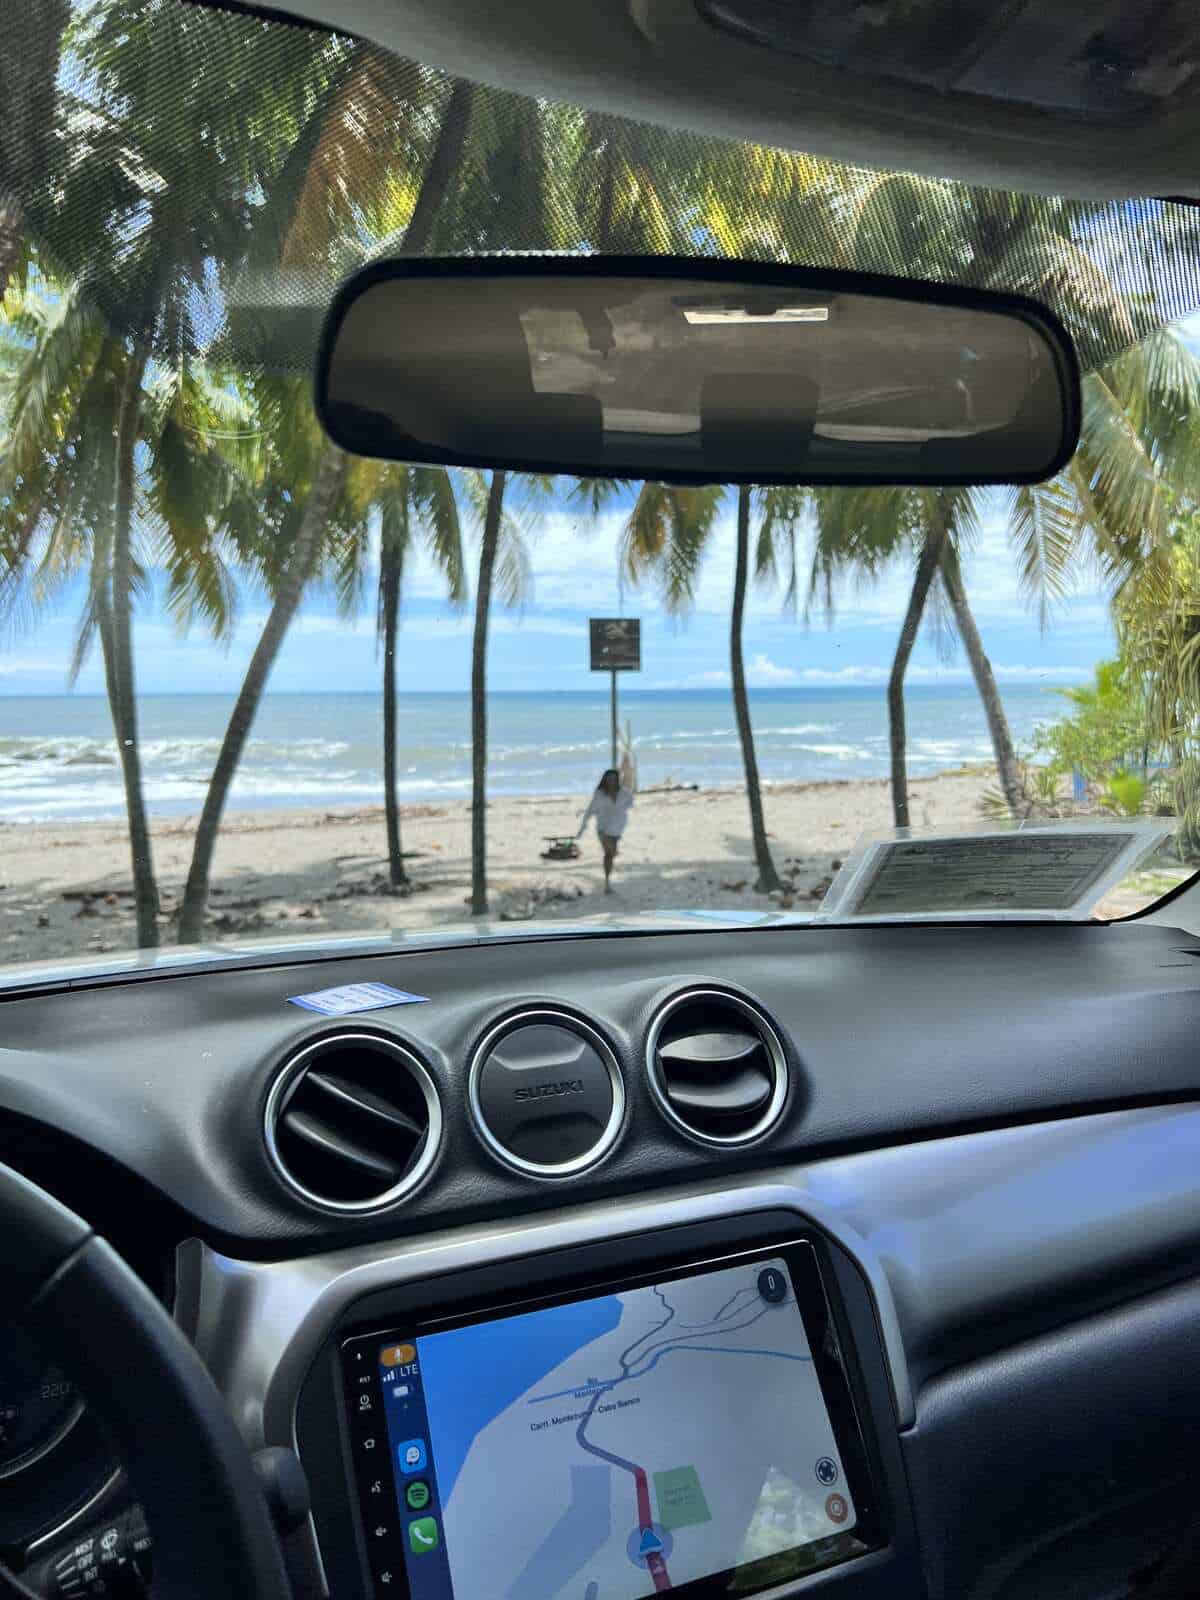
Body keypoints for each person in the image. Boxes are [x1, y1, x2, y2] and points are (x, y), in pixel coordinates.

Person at [577, 768, 634, 893]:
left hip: (617, 828)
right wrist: (582, 829)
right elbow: (590, 810)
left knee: (611, 853)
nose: (612, 782)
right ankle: (607, 883)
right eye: (609, 779)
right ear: (605, 780)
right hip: (603, 828)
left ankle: (611, 863)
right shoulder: (599, 794)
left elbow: (630, 803)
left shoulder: (624, 793)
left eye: (614, 779)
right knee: (608, 853)